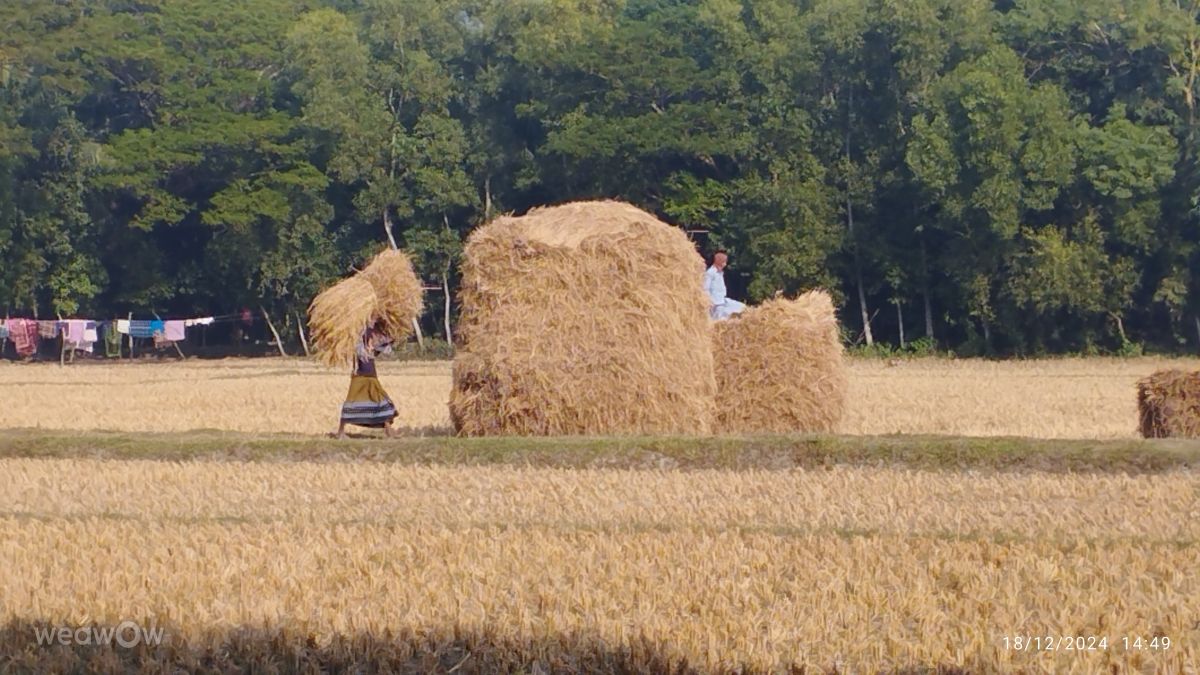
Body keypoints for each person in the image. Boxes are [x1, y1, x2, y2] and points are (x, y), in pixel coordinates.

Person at [334, 321, 399, 438]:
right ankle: (340, 432)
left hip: (371, 375)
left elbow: (384, 346)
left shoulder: (372, 333)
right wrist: (367, 349)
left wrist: (392, 338)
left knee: (381, 401)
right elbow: (359, 352)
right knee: (351, 403)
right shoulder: (359, 335)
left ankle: (389, 431)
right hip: (360, 375)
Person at [704, 250, 746, 320]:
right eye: (724, 262)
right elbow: (705, 289)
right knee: (723, 319)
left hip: (723, 300)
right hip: (715, 304)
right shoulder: (710, 273)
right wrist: (708, 303)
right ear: (720, 262)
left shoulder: (720, 273)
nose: (725, 264)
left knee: (742, 308)